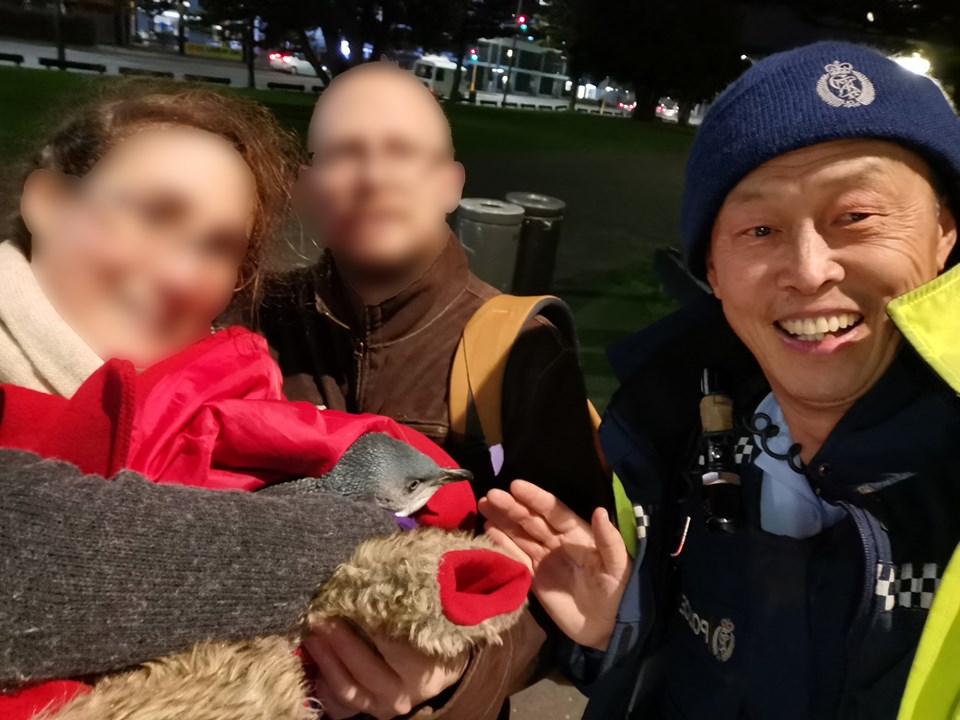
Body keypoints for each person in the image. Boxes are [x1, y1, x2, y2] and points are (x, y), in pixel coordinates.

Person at [481, 41, 960, 720]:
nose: (809, 270)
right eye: (760, 229)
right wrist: (623, 627)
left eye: (856, 217)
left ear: (945, 232)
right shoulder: (671, 437)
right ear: (713, 269)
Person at [0, 85, 470, 719]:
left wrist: (448, 669)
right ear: (49, 201)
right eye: (154, 213)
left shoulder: (240, 403)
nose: (179, 273)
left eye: (219, 247)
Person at [259, 62, 611, 719]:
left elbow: (568, 585)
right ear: (308, 188)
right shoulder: (249, 321)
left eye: (402, 151)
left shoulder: (519, 348)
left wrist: (454, 680)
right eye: (344, 153)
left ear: (451, 185)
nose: (373, 176)